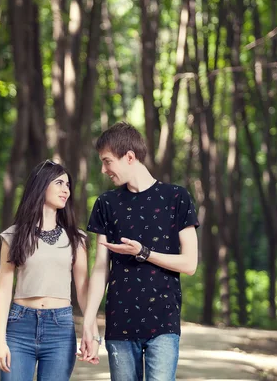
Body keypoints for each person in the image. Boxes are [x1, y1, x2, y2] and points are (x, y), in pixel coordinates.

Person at [78, 122, 199, 381]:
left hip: (163, 325)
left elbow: (190, 264)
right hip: (119, 325)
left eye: (107, 161)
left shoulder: (177, 198)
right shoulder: (106, 203)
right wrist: (89, 321)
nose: (104, 169)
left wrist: (144, 252)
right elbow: (100, 268)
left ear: (129, 156)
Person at [0, 160, 100, 381]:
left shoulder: (76, 238)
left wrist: (92, 332)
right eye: (59, 183)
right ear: (41, 185)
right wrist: (0, 341)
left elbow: (82, 290)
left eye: (68, 185)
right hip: (19, 326)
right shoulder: (13, 236)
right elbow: (4, 291)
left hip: (60, 329)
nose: (66, 190)